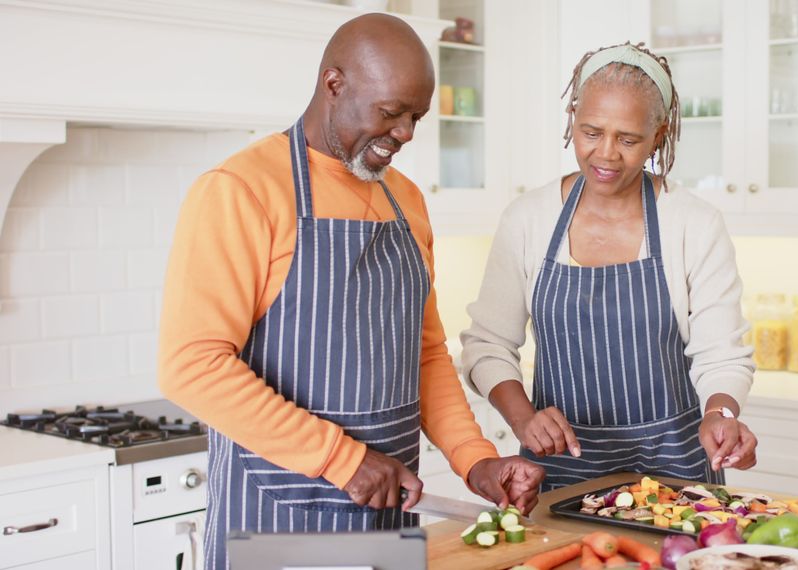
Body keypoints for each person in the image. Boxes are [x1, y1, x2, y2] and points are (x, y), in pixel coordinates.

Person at [158, 14, 543, 568]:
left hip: (386, 521)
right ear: (334, 84)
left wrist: (474, 459)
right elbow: (190, 365)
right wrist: (343, 459)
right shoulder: (241, 191)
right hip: (276, 524)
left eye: (416, 117)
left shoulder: (405, 199)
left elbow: (426, 354)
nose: (407, 133)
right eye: (391, 113)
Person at [460, 42, 758, 492]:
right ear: (573, 120)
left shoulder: (692, 222)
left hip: (676, 465)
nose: (606, 154)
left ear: (657, 136)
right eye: (592, 132)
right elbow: (487, 344)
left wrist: (721, 414)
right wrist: (523, 419)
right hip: (560, 465)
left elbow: (722, 353)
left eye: (628, 139)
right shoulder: (528, 218)